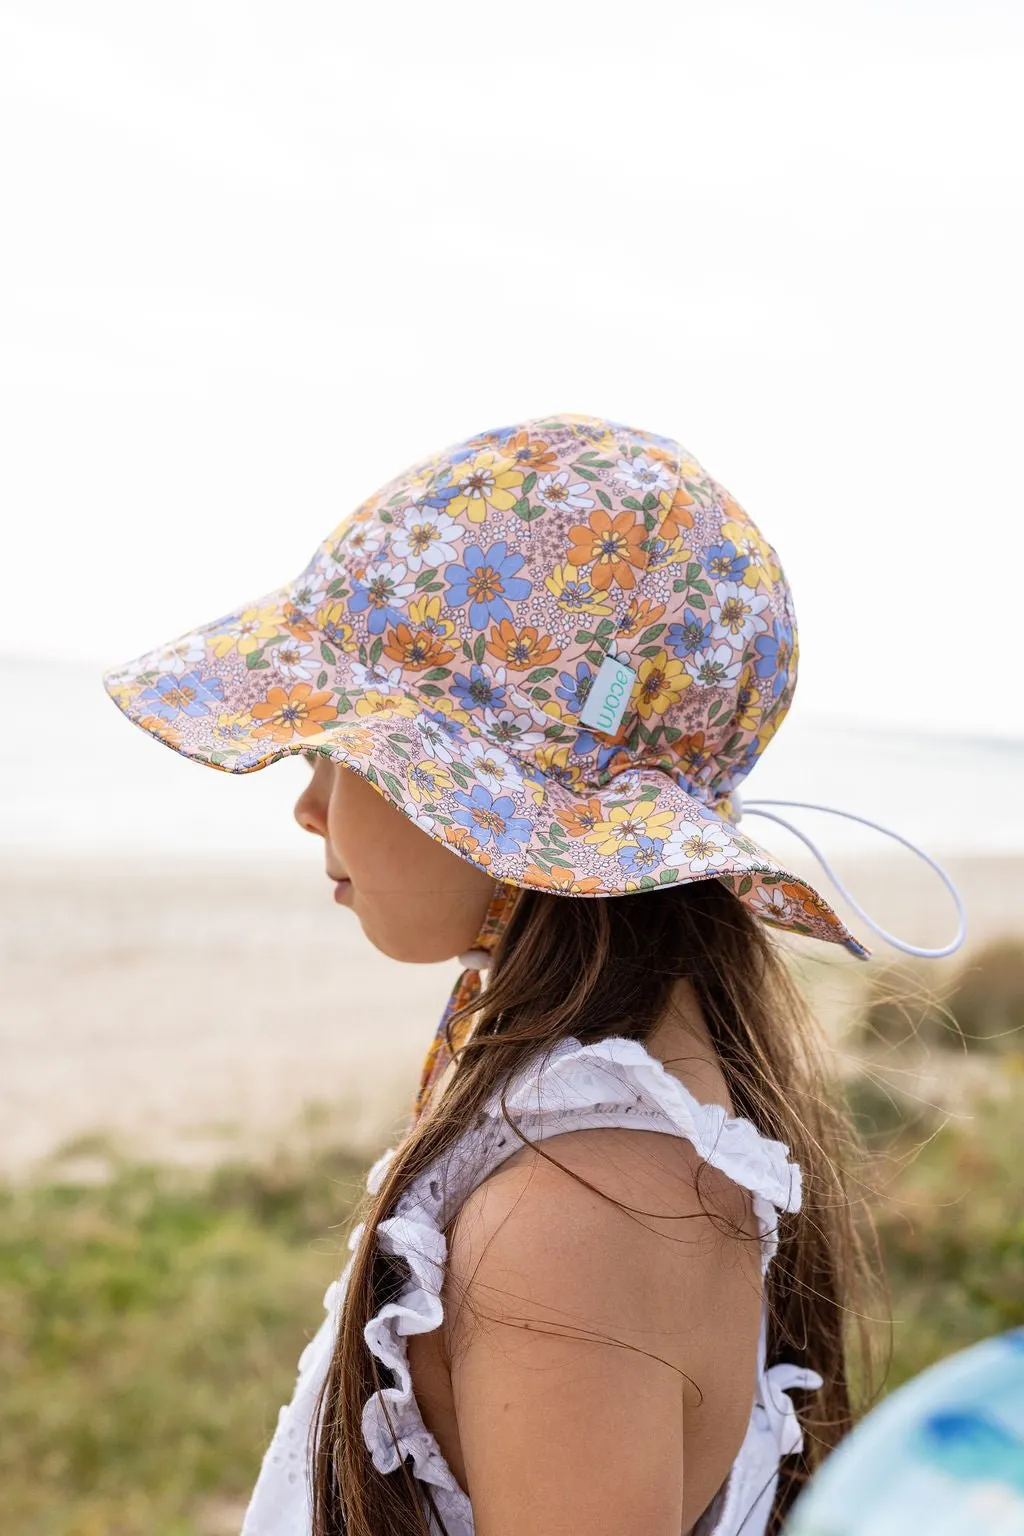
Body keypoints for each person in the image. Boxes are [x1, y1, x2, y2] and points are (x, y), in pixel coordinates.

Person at [101, 411, 965, 1536]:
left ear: (499, 804)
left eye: (341, 749)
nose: (307, 801)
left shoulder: (574, 1216)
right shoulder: (612, 1145)